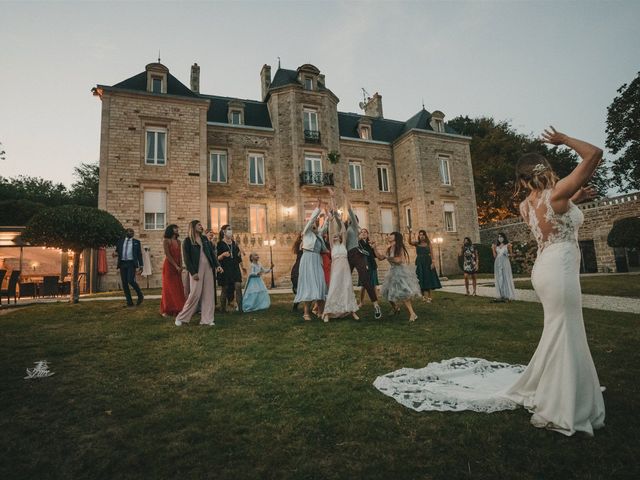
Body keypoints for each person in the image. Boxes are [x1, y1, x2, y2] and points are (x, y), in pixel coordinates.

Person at [374, 127, 605, 437]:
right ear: (545, 171)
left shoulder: (527, 204)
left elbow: (555, 213)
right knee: (566, 329)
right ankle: (562, 402)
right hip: (560, 269)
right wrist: (565, 140)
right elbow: (594, 154)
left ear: (523, 179)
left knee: (560, 329)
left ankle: (561, 389)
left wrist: (576, 196)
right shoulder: (555, 194)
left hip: (545, 269)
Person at [343, 189, 383, 319]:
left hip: (356, 254)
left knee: (365, 280)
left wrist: (345, 195)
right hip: (347, 256)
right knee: (344, 281)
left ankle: (376, 306)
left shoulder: (354, 226)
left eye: (351, 218)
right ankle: (347, 305)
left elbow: (349, 209)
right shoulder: (345, 228)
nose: (349, 218)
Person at [175, 220, 223, 326]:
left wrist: (217, 265)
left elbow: (211, 254)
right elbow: (187, 259)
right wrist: (193, 272)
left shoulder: (204, 239)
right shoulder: (187, 241)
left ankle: (207, 319)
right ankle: (182, 318)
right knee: (195, 294)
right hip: (196, 270)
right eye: (199, 225)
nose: (201, 226)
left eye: (202, 224)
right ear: (193, 227)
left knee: (208, 294)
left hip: (209, 269)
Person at [293, 198, 328, 321]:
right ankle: (306, 312)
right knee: (308, 285)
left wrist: (328, 215)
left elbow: (325, 226)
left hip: (317, 260)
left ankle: (321, 312)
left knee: (320, 284)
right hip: (307, 259)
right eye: (313, 223)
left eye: (316, 223)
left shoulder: (319, 235)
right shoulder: (306, 232)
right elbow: (312, 219)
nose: (314, 224)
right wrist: (318, 208)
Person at [322, 208, 359, 322]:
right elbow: (331, 230)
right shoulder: (333, 247)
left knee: (347, 287)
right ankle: (328, 312)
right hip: (336, 269)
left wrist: (338, 217)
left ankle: (352, 310)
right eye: (333, 236)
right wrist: (330, 215)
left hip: (345, 268)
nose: (335, 236)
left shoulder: (343, 244)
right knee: (334, 288)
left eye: (337, 235)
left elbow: (342, 228)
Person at [380, 231, 421, 322]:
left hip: (400, 271)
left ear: (396, 237)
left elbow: (399, 260)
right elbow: (380, 257)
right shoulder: (389, 248)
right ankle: (395, 308)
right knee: (386, 291)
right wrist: (374, 248)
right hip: (392, 271)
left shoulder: (399, 247)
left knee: (403, 293)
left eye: (391, 235)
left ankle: (413, 314)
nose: (389, 236)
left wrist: (388, 257)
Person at [216, 224, 246, 313]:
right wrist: (223, 255)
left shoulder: (234, 243)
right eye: (229, 229)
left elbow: (238, 257)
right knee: (225, 289)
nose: (231, 231)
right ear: (224, 232)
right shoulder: (220, 244)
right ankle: (223, 309)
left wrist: (242, 266)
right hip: (225, 268)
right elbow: (216, 258)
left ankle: (240, 309)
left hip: (235, 268)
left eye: (231, 229)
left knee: (238, 286)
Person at [409, 229, 442, 303]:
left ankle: (430, 297)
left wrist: (433, 262)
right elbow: (410, 242)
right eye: (420, 235)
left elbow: (432, 253)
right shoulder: (417, 243)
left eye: (422, 234)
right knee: (421, 277)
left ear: (425, 235)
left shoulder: (428, 243)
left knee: (428, 278)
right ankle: (423, 296)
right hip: (419, 262)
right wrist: (409, 233)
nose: (421, 236)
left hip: (428, 261)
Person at [114, 228, 144, 307]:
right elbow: (117, 251)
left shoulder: (136, 242)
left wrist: (141, 265)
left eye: (132, 232)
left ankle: (140, 295)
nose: (131, 233)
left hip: (131, 263)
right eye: (130, 231)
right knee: (124, 283)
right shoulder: (120, 242)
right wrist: (115, 254)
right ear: (126, 233)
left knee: (130, 280)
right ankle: (129, 302)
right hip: (122, 263)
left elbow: (139, 254)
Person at [160, 224, 185, 316]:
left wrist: (181, 266)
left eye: (177, 228)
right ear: (170, 230)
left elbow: (180, 255)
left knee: (178, 287)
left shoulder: (178, 241)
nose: (177, 230)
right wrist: (176, 266)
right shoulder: (166, 241)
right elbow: (168, 255)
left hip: (178, 267)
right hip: (169, 267)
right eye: (175, 228)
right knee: (169, 287)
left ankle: (177, 308)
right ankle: (167, 309)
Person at [357, 229, 385, 307]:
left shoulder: (371, 243)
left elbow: (376, 255)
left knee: (374, 285)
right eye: (361, 232)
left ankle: (376, 302)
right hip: (363, 266)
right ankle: (361, 302)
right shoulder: (358, 244)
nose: (363, 233)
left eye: (365, 232)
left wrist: (374, 247)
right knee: (363, 286)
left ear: (367, 234)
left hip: (372, 265)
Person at [492, 232, 516, 302]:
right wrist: (493, 249)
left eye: (501, 236)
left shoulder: (508, 245)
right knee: (499, 277)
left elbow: (511, 255)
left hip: (505, 261)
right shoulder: (497, 246)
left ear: (504, 237)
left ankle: (508, 294)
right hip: (498, 262)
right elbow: (495, 256)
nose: (500, 238)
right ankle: (501, 294)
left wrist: (507, 254)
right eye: (499, 237)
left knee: (506, 276)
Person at [204, 229, 219, 308]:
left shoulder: (212, 244)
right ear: (206, 234)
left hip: (212, 266)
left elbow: (215, 255)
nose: (212, 234)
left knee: (212, 285)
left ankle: (213, 303)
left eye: (212, 233)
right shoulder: (204, 243)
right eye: (210, 233)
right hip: (206, 266)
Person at [290, 232, 303, 312]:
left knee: (300, 289)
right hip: (299, 268)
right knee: (300, 288)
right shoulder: (301, 244)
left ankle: (296, 306)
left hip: (298, 267)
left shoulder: (300, 243)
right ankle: (295, 306)